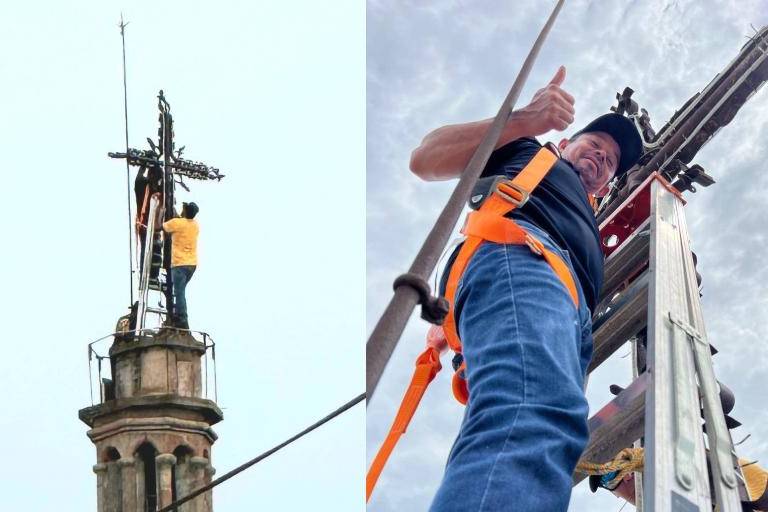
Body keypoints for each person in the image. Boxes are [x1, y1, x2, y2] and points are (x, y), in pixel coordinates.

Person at [409, 66, 642, 511]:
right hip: (522, 260)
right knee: (531, 413)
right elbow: (425, 157)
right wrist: (526, 120)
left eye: (611, 161)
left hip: (565, 310)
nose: (602, 157)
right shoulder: (529, 153)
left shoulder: (587, 216)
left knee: (542, 427)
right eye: (595, 144)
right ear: (567, 143)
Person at [162, 202, 200, 330]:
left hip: (179, 264)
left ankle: (182, 319)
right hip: (192, 265)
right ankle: (179, 314)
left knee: (179, 292)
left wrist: (161, 213)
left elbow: (163, 227)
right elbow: (183, 223)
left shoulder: (176, 223)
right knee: (180, 291)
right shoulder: (195, 225)